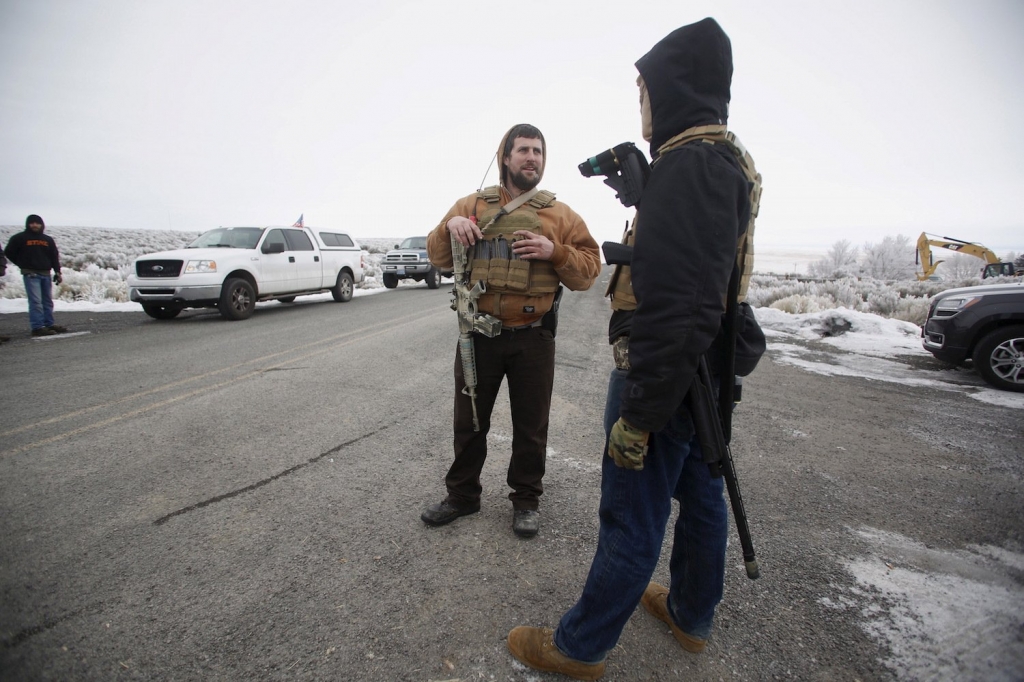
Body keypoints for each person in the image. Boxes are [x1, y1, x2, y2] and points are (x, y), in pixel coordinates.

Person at [507, 18, 759, 678]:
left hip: (668, 375)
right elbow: (696, 262)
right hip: (703, 369)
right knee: (702, 498)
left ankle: (579, 646)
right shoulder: (714, 159)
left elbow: (680, 306)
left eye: (643, 88)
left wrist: (640, 416)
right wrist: (646, 195)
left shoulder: (693, 166)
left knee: (632, 512)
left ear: (670, 88)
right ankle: (690, 614)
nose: (639, 102)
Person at [422, 123, 601, 538]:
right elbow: (436, 256)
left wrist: (554, 251)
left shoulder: (561, 215)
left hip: (533, 337)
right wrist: (450, 227)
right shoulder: (471, 204)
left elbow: (588, 271)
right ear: (505, 156)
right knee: (468, 422)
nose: (532, 158)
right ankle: (462, 496)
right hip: (478, 336)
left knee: (531, 425)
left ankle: (526, 501)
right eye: (523, 150)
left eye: (538, 151)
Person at [4, 214, 68, 337]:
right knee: (36, 301)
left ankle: (49, 324)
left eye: (37, 223)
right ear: (28, 224)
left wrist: (58, 271)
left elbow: (54, 256)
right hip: (30, 273)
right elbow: (8, 252)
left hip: (46, 273)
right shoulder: (20, 238)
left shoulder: (47, 240)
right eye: (32, 223)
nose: (34, 225)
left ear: (41, 224)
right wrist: (21, 263)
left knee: (47, 301)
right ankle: (37, 327)